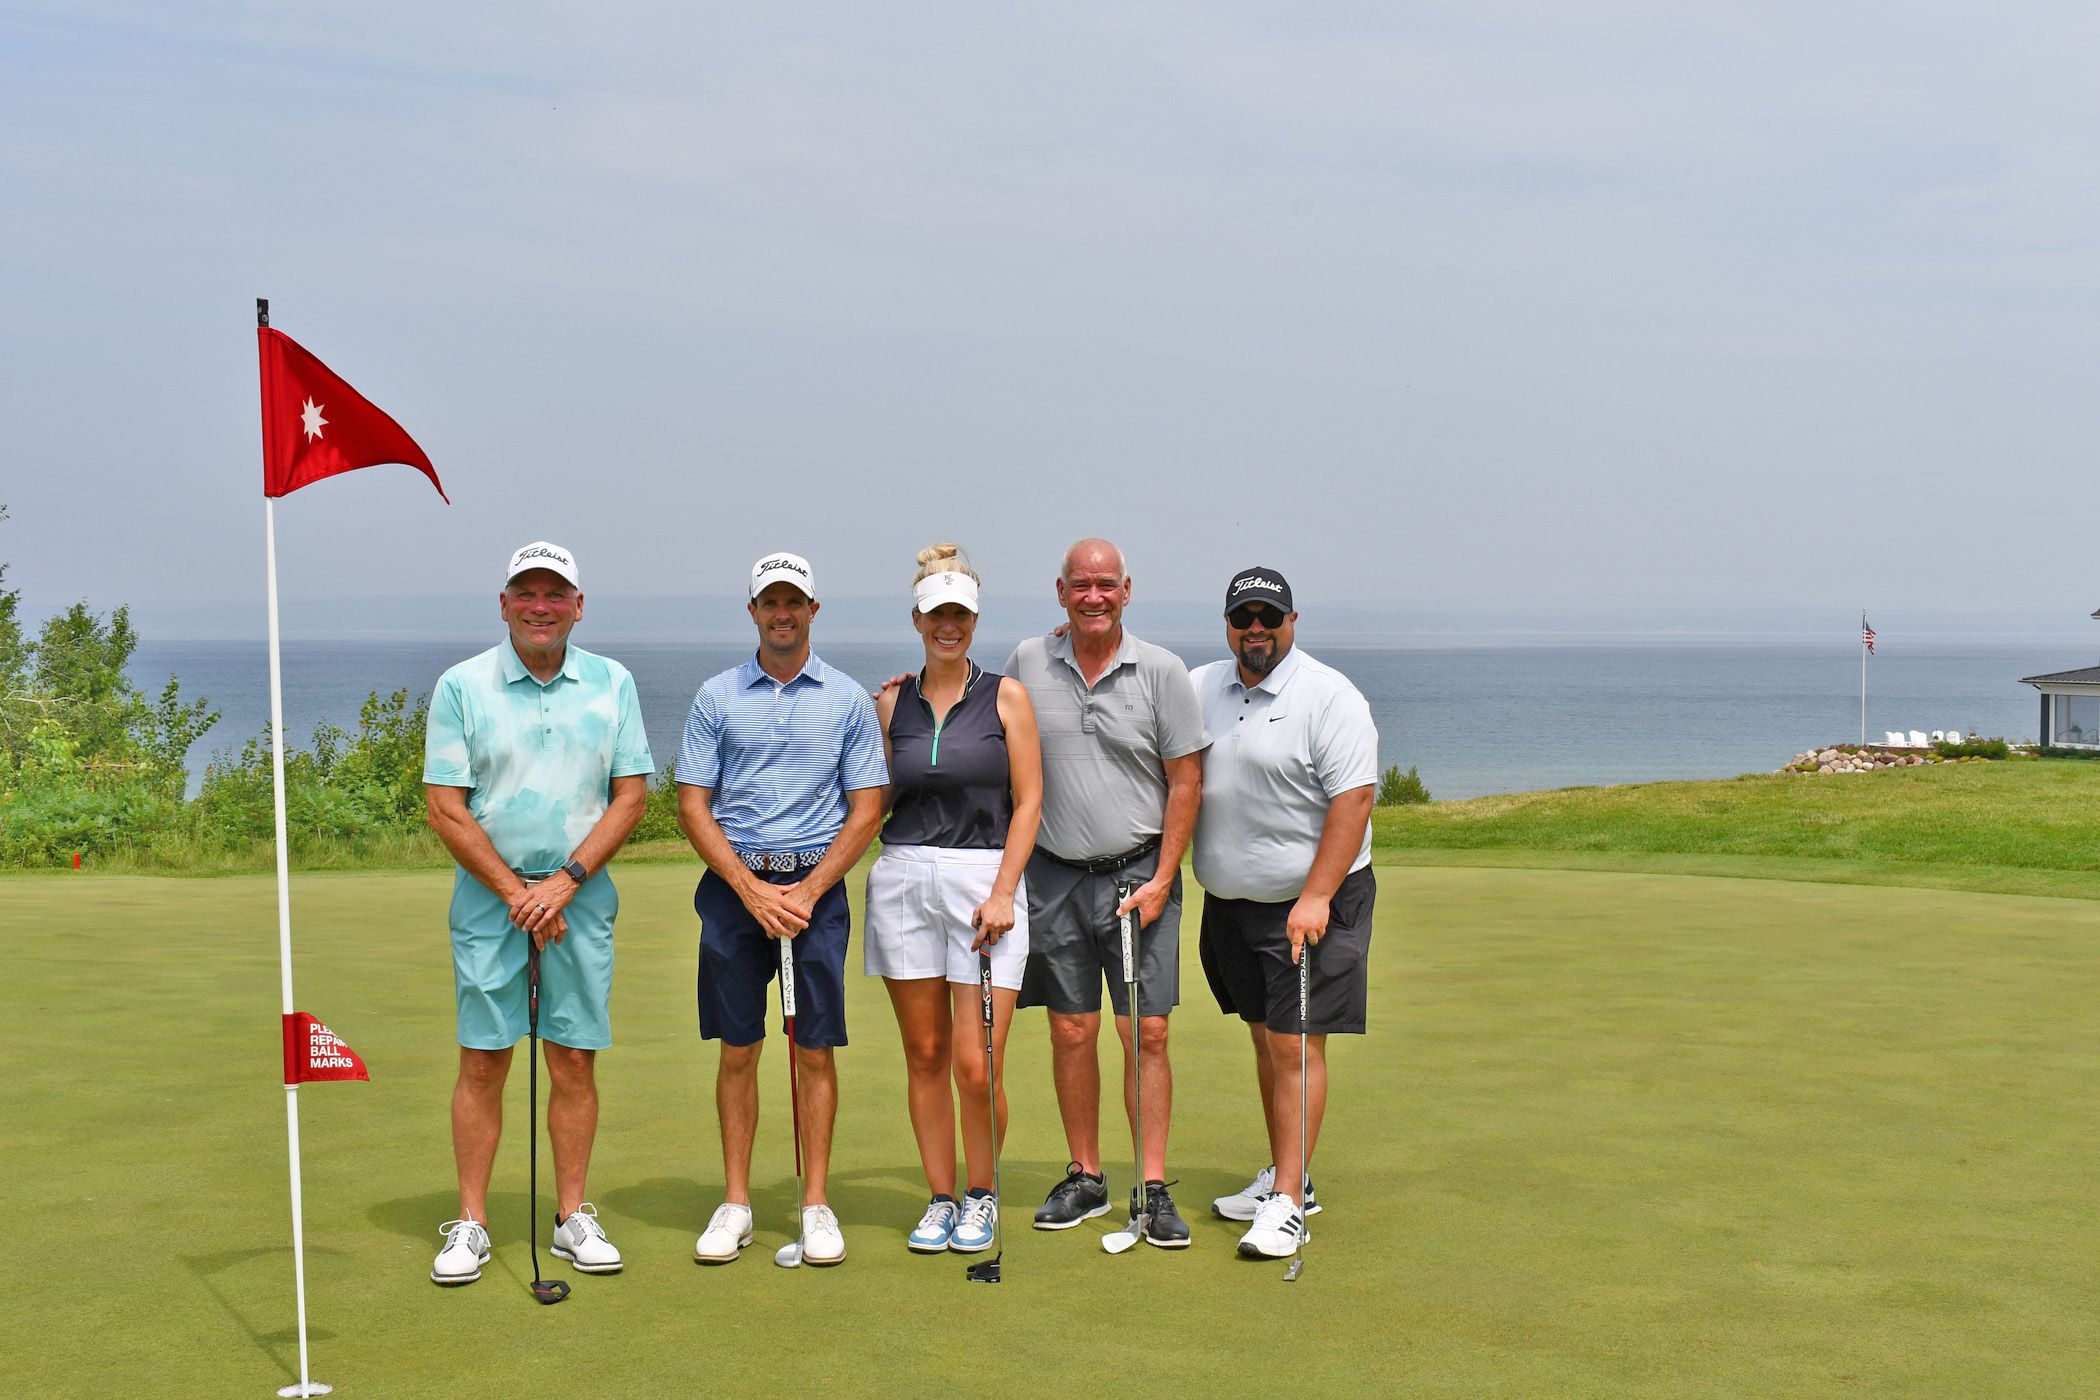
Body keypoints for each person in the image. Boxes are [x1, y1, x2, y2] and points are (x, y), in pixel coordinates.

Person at [422, 541, 653, 1286]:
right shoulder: (462, 685)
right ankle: (471, 1222)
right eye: (527, 592)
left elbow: (630, 796)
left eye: (556, 594)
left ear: (577, 605)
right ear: (504, 603)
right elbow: (445, 806)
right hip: (492, 896)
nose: (541, 606)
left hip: (580, 897)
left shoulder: (612, 682)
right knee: (484, 1058)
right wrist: (521, 893)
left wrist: (566, 881)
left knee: (573, 1056)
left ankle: (572, 1216)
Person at [678, 551, 888, 1267]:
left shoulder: (849, 698)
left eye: (794, 601)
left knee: (815, 1048)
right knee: (739, 1049)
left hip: (815, 895)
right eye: (770, 601)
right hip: (738, 893)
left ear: (812, 610)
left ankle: (816, 1204)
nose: (782, 612)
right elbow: (693, 805)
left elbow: (865, 810)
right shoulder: (716, 696)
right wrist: (750, 889)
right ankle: (736, 1202)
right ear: (754, 612)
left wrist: (805, 890)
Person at [1004, 538, 1208, 1247]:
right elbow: (983, 721)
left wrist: (1161, 878)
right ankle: (1086, 1175)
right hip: (1054, 876)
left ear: (1127, 591)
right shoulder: (1029, 661)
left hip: (1136, 876)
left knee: (1145, 1031)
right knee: (1070, 1029)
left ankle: (1151, 1188)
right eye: (1080, 585)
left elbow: (1186, 781)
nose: (1094, 596)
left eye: (1106, 585)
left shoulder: (1161, 671)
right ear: (1060, 593)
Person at [1189, 567, 1379, 1260]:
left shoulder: (1329, 696)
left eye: (1270, 616)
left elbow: (1352, 801)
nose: (1257, 629)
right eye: (1244, 618)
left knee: (1296, 1047)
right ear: (1229, 625)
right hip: (1234, 904)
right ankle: (1283, 1174)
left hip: (1312, 904)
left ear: (1292, 622)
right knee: (1265, 1039)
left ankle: (1291, 1201)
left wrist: (1318, 895)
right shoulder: (1201, 685)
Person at [865, 545, 1043, 1255]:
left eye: (961, 615)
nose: (949, 625)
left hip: (984, 883)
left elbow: (1029, 801)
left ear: (974, 621)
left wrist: (1005, 891)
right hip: (903, 877)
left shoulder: (1007, 696)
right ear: (917, 618)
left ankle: (982, 1193)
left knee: (978, 1063)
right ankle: (941, 1197)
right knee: (927, 1052)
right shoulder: (890, 700)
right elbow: (874, 799)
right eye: (938, 614)